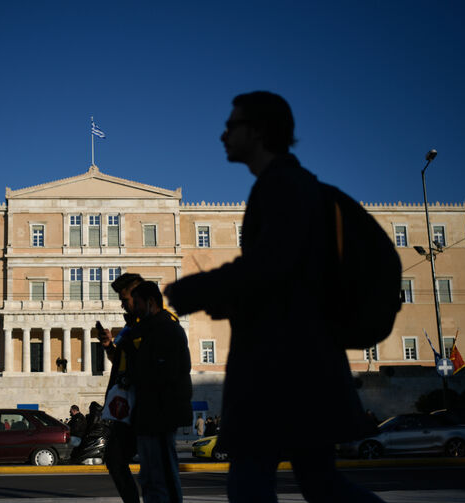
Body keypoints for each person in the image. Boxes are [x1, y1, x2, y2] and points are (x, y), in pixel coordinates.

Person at [164, 91, 383, 503]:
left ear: (259, 131)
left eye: (232, 125)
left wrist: (196, 288)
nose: (223, 135)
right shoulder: (289, 185)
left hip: (281, 363)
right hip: (301, 358)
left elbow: (272, 264)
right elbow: (283, 277)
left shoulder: (282, 186)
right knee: (320, 483)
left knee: (251, 482)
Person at [128, 280, 192, 503]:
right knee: (153, 476)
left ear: (151, 302)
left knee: (160, 476)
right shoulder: (151, 330)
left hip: (159, 415)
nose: (133, 308)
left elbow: (169, 373)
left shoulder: (166, 330)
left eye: (137, 303)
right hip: (151, 415)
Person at [99, 272, 144, 503]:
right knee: (114, 458)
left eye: (125, 299)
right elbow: (120, 362)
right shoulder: (129, 329)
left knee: (156, 470)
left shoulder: (152, 326)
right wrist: (108, 346)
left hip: (146, 407)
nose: (122, 304)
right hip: (126, 408)